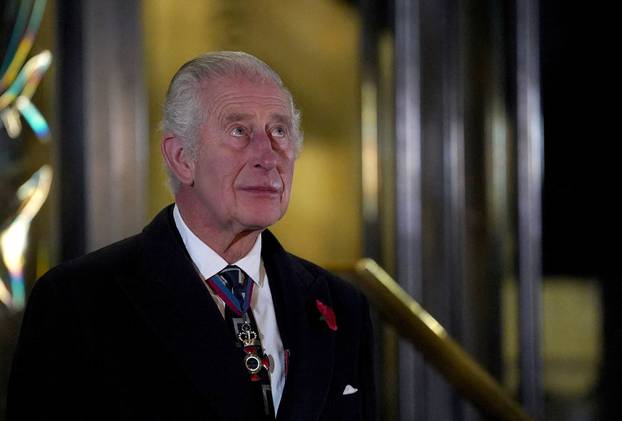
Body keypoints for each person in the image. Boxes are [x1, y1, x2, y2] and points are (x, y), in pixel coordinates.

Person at [6, 51, 375, 420]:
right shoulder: (79, 301)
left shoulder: (341, 305)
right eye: (239, 131)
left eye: (279, 131)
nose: (268, 156)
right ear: (182, 158)